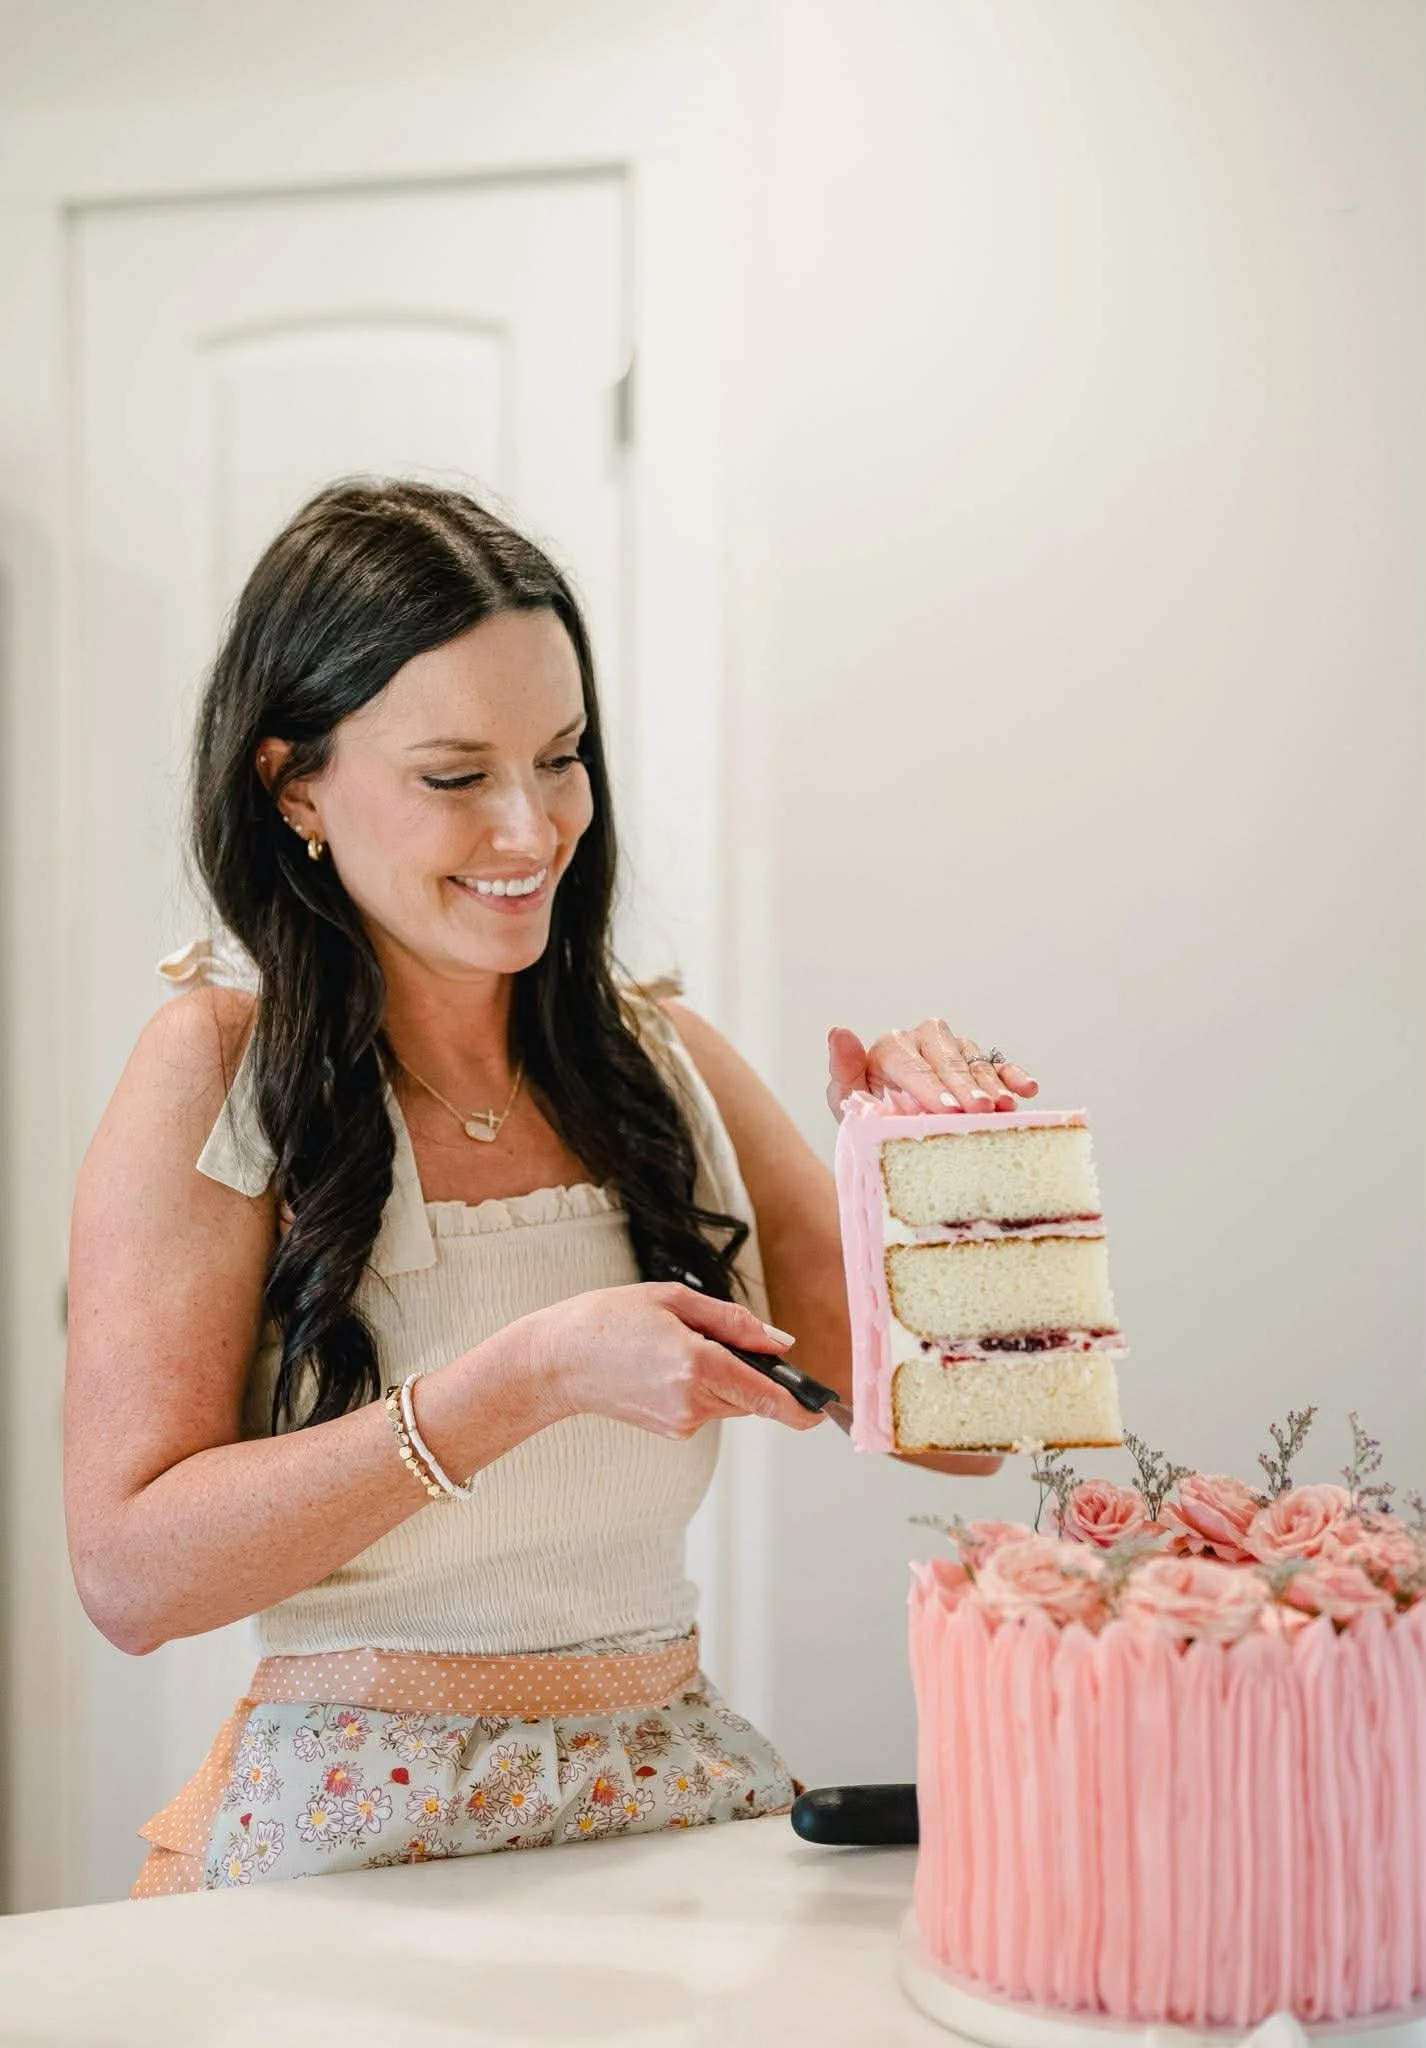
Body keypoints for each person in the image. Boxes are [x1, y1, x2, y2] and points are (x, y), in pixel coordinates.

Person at [63, 480, 1037, 1896]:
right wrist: (521, 1381)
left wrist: (926, 1167)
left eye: (563, 757)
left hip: (666, 1806)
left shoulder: (663, 1063)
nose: (530, 832)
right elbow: (130, 1580)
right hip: (352, 1848)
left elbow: (963, 1442)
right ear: (293, 786)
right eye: (454, 777)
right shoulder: (219, 1070)